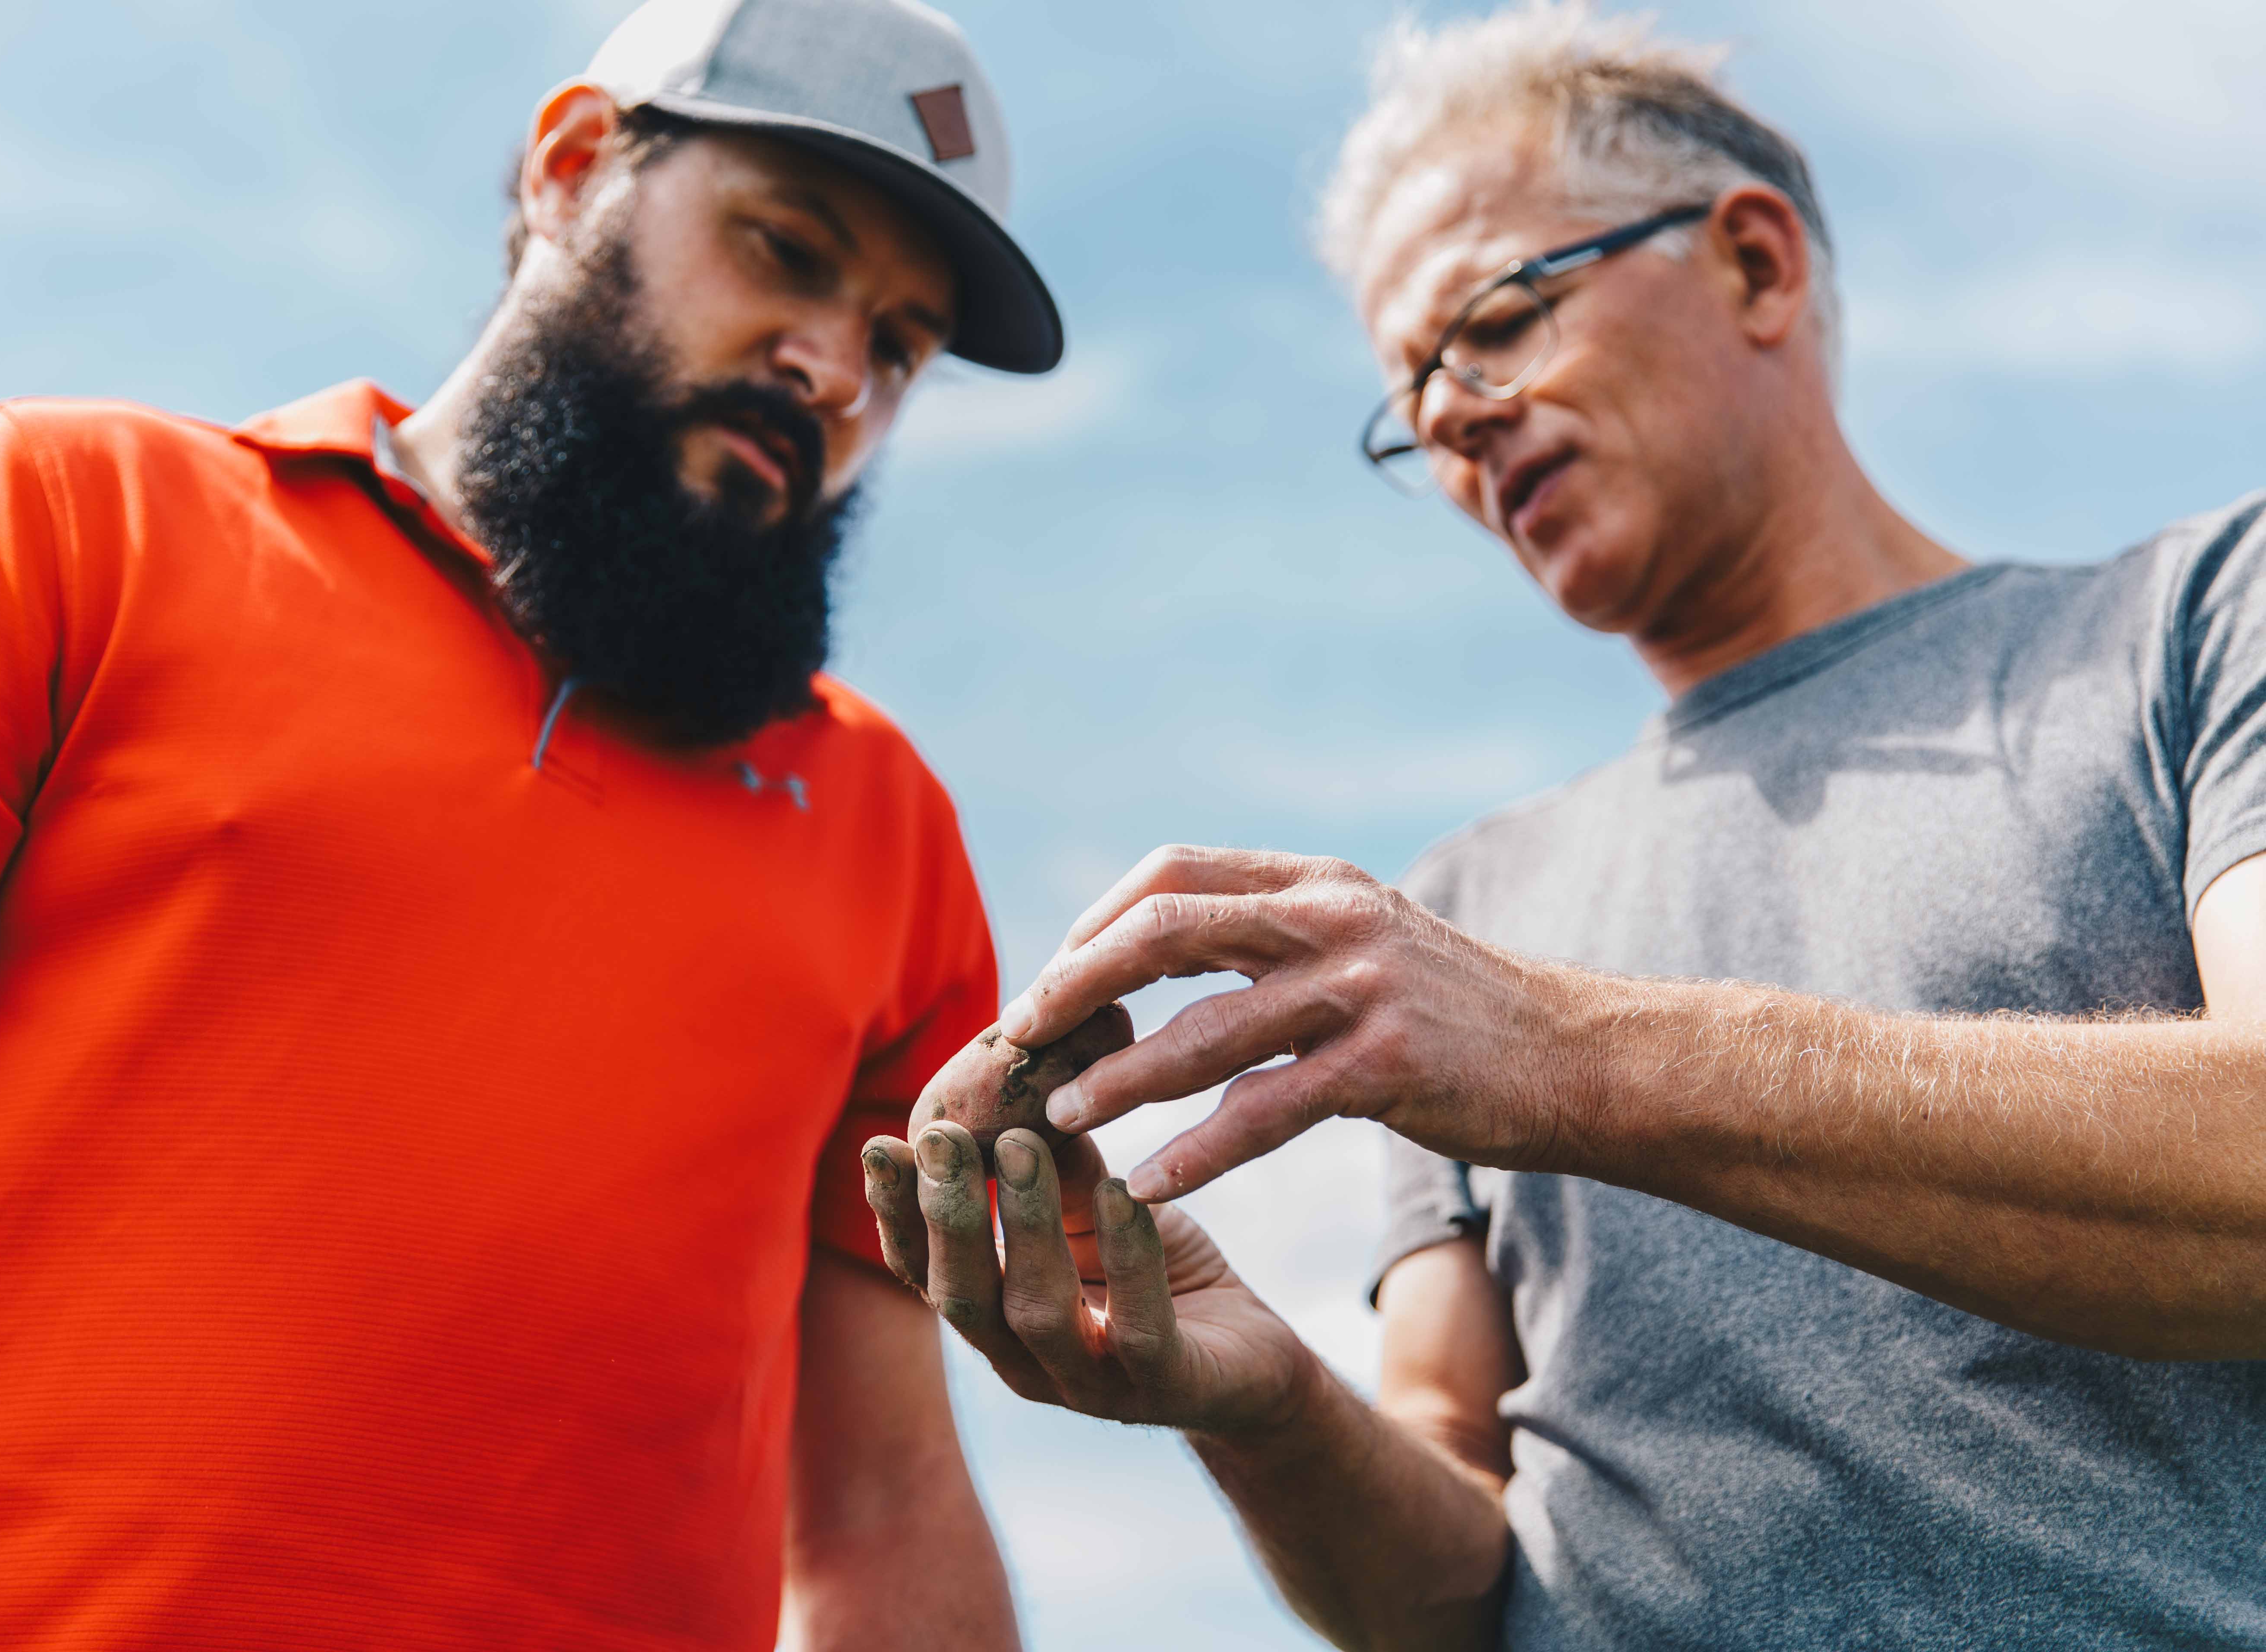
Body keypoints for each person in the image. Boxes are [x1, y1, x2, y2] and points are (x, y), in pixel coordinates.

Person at [867, 5, 2266, 1648]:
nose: (1453, 421)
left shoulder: (2191, 621)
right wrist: (1257, 1406)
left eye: (1502, 320)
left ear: (1754, 266)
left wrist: (1557, 1052)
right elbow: (1455, 1591)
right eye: (1409, 398)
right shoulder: (1461, 913)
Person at [0, 0, 1059, 1646]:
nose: (830, 370)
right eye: (786, 250)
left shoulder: (889, 835)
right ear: (573, 166)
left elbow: (884, 1511)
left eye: (897, 345)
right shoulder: (71, 522)